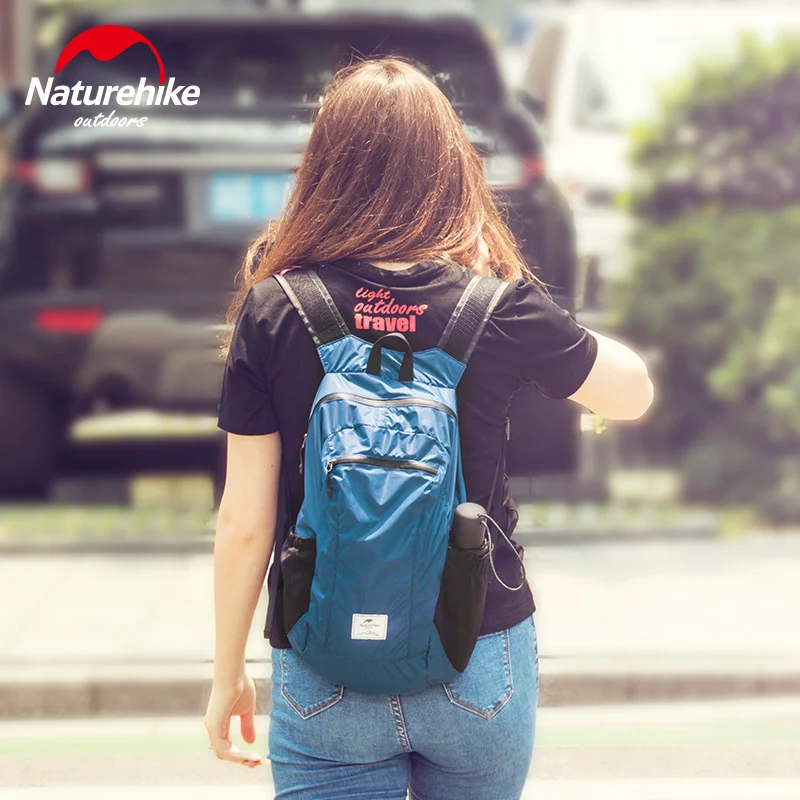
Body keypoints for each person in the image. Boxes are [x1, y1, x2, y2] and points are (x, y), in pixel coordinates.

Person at [205, 57, 654, 800]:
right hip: (475, 651)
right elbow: (633, 392)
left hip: (321, 661)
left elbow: (244, 524)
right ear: (450, 170)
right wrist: (544, 327)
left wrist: (228, 674)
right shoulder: (497, 306)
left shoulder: (274, 309)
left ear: (323, 170)